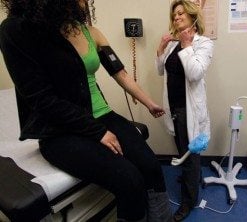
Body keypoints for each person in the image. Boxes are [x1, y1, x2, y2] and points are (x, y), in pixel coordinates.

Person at [0, 0, 173, 221]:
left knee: (151, 166)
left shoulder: (89, 32)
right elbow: (41, 99)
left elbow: (120, 73)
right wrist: (98, 132)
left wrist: (149, 103)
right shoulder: (19, 31)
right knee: (129, 179)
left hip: (102, 115)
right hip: (60, 130)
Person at [155, 0, 214, 221]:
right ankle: (191, 177)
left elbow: (195, 73)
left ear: (191, 16)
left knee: (190, 156)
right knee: (182, 149)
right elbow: (161, 71)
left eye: (181, 13)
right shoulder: (172, 44)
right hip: (174, 107)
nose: (176, 17)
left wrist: (188, 45)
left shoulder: (204, 44)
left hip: (190, 111)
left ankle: (188, 202)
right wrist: (161, 48)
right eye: (174, 15)